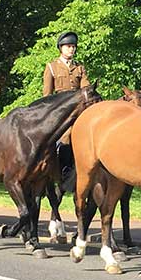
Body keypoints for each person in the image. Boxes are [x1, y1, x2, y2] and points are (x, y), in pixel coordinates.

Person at [42, 31, 90, 187]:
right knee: (65, 137)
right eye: (68, 46)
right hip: (59, 110)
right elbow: (47, 95)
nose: (72, 49)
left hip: (78, 108)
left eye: (73, 47)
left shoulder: (80, 68)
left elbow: (86, 89)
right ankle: (63, 171)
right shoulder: (51, 67)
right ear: (61, 48)